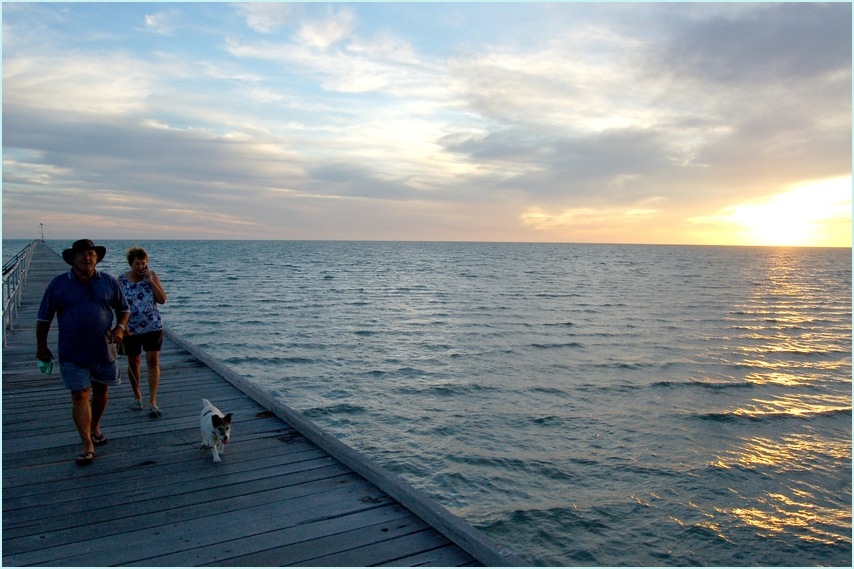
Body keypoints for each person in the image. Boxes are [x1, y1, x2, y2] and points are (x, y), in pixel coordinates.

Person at [36, 239, 130, 466]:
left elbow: (124, 309)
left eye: (91, 254)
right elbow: (43, 318)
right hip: (72, 352)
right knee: (79, 395)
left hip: (103, 350)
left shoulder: (109, 281)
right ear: (72, 258)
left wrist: (120, 327)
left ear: (96, 258)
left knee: (101, 393)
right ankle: (86, 442)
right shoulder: (58, 284)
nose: (87, 258)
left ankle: (95, 426)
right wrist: (41, 346)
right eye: (81, 254)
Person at [119, 247, 168, 418]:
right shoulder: (121, 280)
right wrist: (122, 326)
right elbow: (117, 305)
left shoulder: (152, 276)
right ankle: (137, 396)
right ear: (130, 264)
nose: (140, 267)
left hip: (152, 326)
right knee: (134, 362)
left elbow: (162, 300)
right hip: (130, 328)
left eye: (143, 263)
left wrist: (151, 282)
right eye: (137, 264)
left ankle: (152, 401)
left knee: (152, 360)